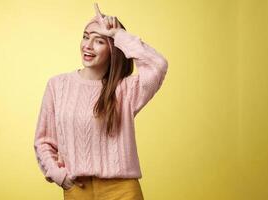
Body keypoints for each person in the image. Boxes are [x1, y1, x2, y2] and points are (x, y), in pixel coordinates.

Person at [33, 3, 168, 200]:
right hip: (78, 190)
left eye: (99, 41)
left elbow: (158, 65)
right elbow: (43, 141)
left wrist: (118, 35)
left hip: (122, 190)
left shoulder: (125, 90)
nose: (87, 46)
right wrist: (59, 175)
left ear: (113, 49)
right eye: (86, 37)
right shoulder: (57, 85)